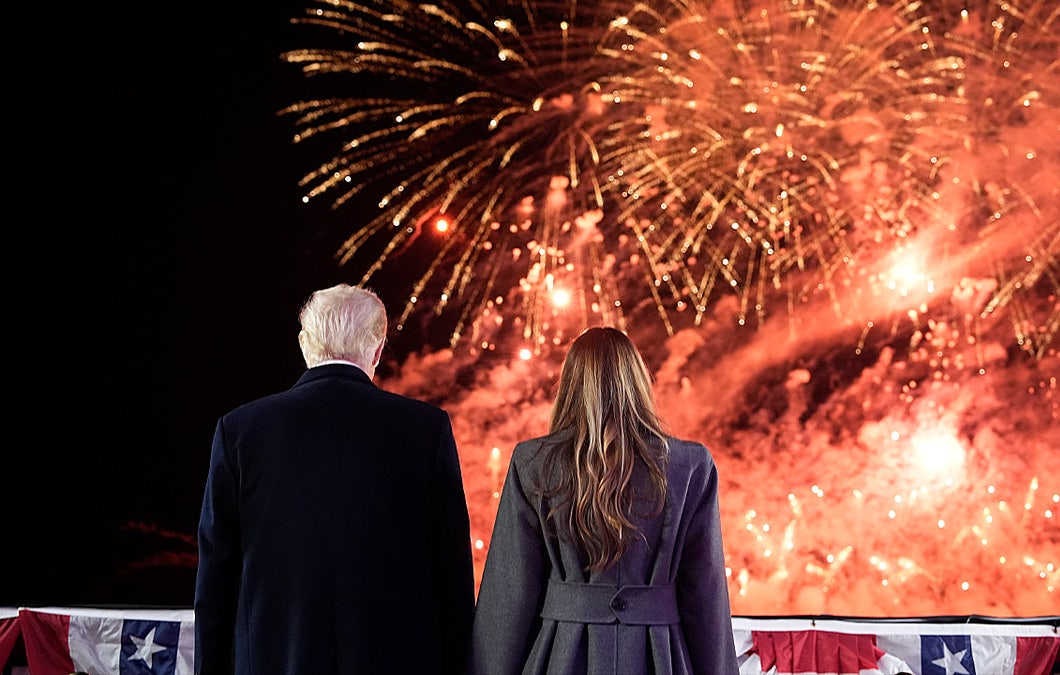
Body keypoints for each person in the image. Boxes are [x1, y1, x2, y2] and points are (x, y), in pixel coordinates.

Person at [194, 283, 475, 674]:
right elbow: (452, 577)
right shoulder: (426, 430)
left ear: (304, 344)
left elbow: (215, 583)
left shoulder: (239, 431)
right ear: (377, 349)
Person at [468, 327, 739, 674]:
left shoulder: (533, 462)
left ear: (569, 385)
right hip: (660, 656)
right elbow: (705, 597)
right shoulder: (691, 466)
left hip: (560, 656)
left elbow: (509, 595)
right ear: (639, 381)